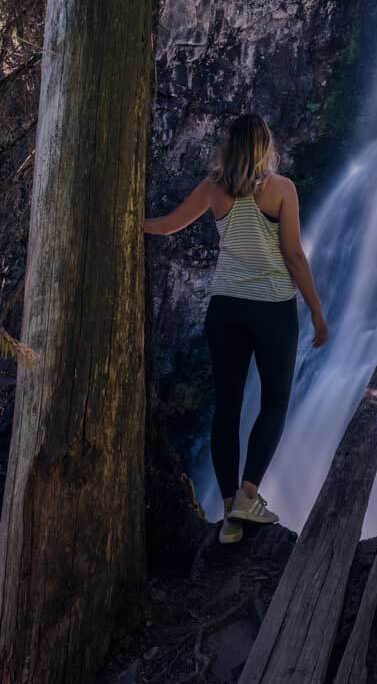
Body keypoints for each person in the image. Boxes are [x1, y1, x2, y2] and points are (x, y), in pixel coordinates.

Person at [144, 113, 328, 545]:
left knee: (227, 407)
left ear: (230, 146)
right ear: (265, 146)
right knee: (275, 403)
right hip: (272, 310)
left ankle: (229, 513)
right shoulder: (281, 189)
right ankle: (248, 495)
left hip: (225, 309)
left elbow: (172, 223)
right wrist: (318, 312)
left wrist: (137, 224)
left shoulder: (214, 187)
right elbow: (295, 256)